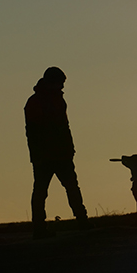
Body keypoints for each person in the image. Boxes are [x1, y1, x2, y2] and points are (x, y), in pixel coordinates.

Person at [24, 67, 92, 239]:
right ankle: (39, 228)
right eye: (60, 83)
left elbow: (65, 127)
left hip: (62, 154)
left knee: (71, 188)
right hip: (45, 156)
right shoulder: (35, 102)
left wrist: (70, 148)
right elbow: (32, 132)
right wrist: (37, 156)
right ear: (50, 82)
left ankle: (83, 221)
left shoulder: (59, 101)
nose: (62, 86)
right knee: (41, 191)